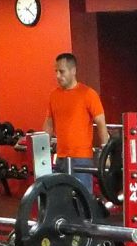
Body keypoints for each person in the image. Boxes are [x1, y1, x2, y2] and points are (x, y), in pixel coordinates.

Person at [42, 52, 109, 197]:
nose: (58, 76)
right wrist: (41, 151)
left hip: (82, 159)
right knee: (62, 199)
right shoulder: (54, 95)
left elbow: (101, 125)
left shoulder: (88, 94)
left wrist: (107, 154)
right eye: (56, 72)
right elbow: (48, 125)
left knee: (83, 200)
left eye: (62, 71)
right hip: (61, 158)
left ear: (73, 71)